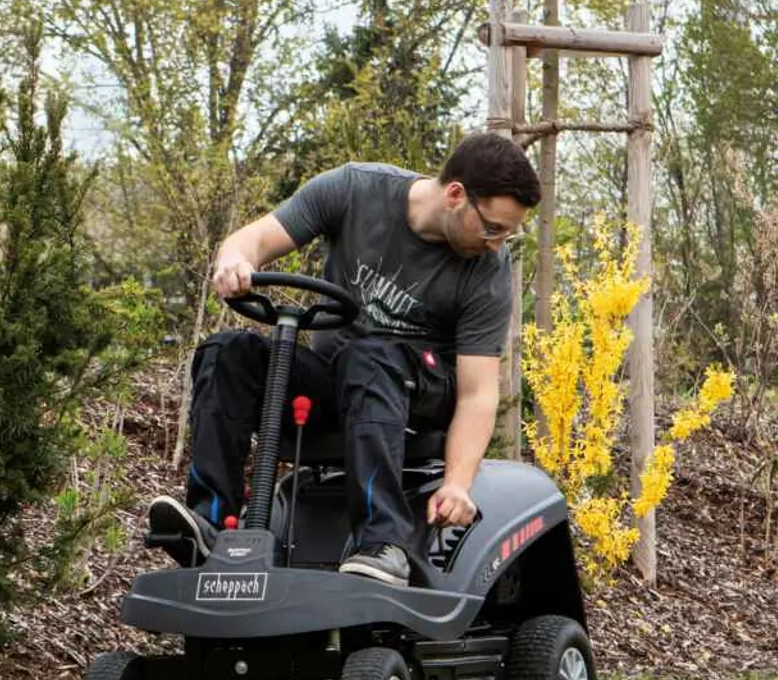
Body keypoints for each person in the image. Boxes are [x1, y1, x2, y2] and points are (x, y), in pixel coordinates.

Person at [148, 132, 542, 586]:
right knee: (228, 352)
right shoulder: (355, 189)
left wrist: (457, 482)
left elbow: (477, 395)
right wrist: (235, 260)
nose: (496, 243)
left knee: (369, 357)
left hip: (421, 393)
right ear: (456, 194)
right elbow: (253, 238)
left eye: (506, 233)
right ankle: (210, 523)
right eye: (492, 228)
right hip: (344, 382)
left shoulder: (487, 272)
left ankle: (383, 543)